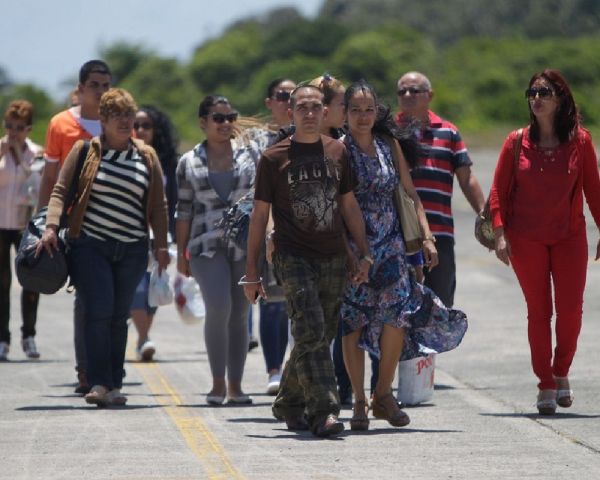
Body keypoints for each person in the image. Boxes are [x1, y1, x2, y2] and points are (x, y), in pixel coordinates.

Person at [243, 85, 371, 437]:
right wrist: (251, 273)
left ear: (326, 112)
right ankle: (324, 412)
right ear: (291, 111)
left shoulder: (338, 151)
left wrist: (364, 253)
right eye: (303, 107)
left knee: (316, 335)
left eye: (317, 107)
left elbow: (348, 206)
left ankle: (288, 402)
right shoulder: (273, 158)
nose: (310, 113)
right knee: (311, 329)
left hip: (332, 256)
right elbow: (258, 216)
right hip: (291, 255)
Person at [340, 80, 468, 431]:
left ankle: (383, 394)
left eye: (369, 110)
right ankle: (358, 401)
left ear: (376, 112)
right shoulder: (337, 149)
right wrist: (352, 252)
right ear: (344, 113)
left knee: (398, 316)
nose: (363, 117)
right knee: (353, 321)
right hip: (353, 247)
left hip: (392, 245)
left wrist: (426, 237)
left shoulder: (388, 144)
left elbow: (409, 194)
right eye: (355, 110)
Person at [36, 88, 169, 407]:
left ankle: (115, 384)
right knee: (98, 312)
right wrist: (50, 226)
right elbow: (60, 190)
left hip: (133, 248)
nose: (125, 121)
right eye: (117, 116)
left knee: (118, 315)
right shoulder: (86, 151)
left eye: (129, 115)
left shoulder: (146, 155)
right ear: (104, 120)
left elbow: (159, 206)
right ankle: (98, 382)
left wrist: (162, 245)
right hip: (91, 245)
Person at [489, 69, 600, 415]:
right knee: (539, 314)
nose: (536, 98)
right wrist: (500, 233)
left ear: (560, 99)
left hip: (569, 237)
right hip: (526, 239)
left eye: (544, 92)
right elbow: (498, 192)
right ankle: (546, 384)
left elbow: (593, 191)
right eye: (532, 92)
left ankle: (561, 370)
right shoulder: (515, 141)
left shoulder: (580, 141)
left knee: (570, 312)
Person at [176, 95, 260, 405]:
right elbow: (183, 211)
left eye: (230, 117)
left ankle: (236, 386)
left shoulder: (250, 156)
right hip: (204, 245)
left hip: (244, 244)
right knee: (219, 307)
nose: (226, 124)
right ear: (203, 122)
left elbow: (263, 202)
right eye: (218, 118)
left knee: (240, 313)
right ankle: (216, 383)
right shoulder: (188, 161)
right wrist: (181, 253)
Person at [38, 59, 112, 394]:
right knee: (86, 298)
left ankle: (106, 367)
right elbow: (51, 177)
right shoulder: (60, 125)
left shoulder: (116, 124)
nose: (100, 91)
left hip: (114, 222)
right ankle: (87, 370)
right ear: (80, 89)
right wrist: (43, 221)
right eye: (94, 85)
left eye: (105, 85)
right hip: (75, 224)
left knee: (112, 303)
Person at [395, 71, 485, 308]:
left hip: (440, 233)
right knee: (400, 308)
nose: (407, 95)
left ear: (430, 95)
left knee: (440, 304)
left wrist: (484, 214)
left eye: (414, 90)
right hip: (398, 235)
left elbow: (467, 179)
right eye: (402, 91)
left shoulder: (449, 132)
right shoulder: (389, 132)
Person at [247, 78, 297, 395]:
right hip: (268, 226)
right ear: (270, 102)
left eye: (294, 96)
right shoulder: (256, 142)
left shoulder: (312, 136)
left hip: (303, 231)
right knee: (273, 305)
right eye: (282, 96)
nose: (288, 102)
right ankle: (274, 370)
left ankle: (297, 371)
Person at [129, 105, 179, 361]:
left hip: (160, 236)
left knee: (153, 292)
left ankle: (141, 336)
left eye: (146, 125)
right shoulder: (123, 155)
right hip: (130, 234)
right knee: (137, 289)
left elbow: (175, 203)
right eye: (135, 125)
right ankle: (145, 337)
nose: (139, 130)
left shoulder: (169, 162)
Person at [0, 100, 43, 360]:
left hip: (24, 224)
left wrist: (19, 155)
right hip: (0, 224)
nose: (13, 132)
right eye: (9, 126)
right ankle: (3, 339)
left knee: (30, 280)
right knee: (1, 282)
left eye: (18, 127)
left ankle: (29, 335)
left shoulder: (36, 153)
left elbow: (36, 184)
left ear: (28, 129)